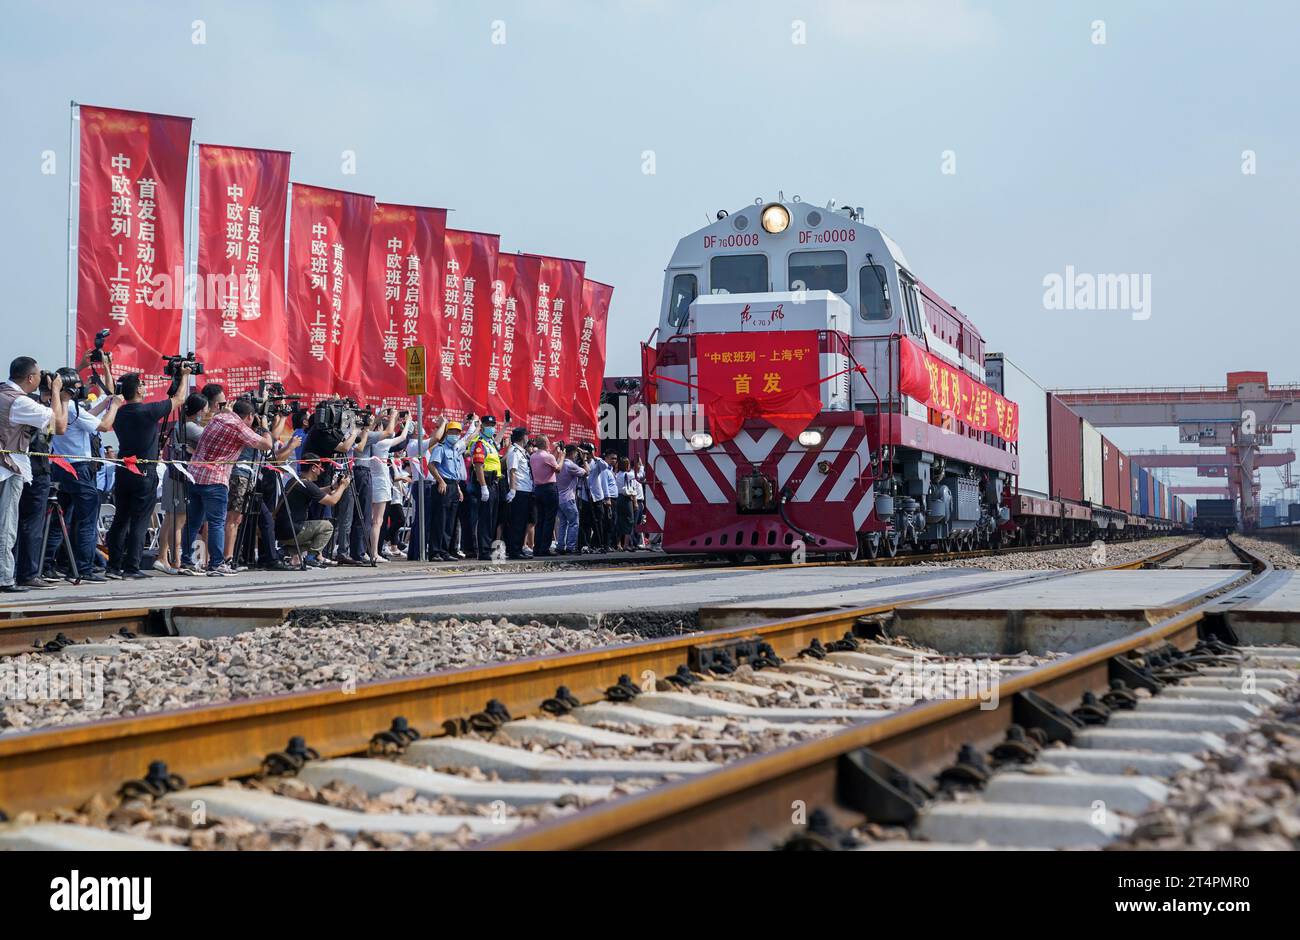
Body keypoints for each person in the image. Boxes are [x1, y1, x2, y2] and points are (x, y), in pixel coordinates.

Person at [105, 368, 189, 579]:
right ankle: (132, 567)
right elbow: (179, 399)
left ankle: (114, 566)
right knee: (140, 521)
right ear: (139, 391)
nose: (144, 387)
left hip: (123, 469)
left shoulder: (119, 413)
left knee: (120, 519)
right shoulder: (147, 411)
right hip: (144, 471)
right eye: (142, 384)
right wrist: (185, 375)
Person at [182, 398, 281, 576]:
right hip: (215, 478)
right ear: (250, 416)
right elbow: (267, 445)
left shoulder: (218, 418)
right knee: (216, 523)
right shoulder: (239, 426)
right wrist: (264, 426)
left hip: (194, 474)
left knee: (193, 521)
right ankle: (216, 564)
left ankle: (186, 561)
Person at [46, 369, 121, 582]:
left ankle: (49, 564)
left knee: (59, 520)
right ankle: (83, 568)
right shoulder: (70, 407)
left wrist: (108, 395)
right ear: (70, 388)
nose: (81, 389)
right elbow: (105, 426)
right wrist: (115, 406)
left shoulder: (58, 405)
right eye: (78, 386)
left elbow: (92, 413)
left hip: (60, 467)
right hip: (79, 468)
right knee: (86, 521)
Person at [0, 358, 68, 593]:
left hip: (8, 468)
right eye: (38, 374)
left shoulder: (2, 392)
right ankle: (5, 579)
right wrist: (58, 392)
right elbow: (57, 424)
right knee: (7, 527)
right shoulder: (19, 402)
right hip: (10, 469)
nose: (41, 378)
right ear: (30, 378)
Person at [154, 393, 207, 574]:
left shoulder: (181, 424)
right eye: (206, 408)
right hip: (180, 477)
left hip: (173, 475)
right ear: (199, 410)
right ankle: (176, 561)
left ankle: (163, 557)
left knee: (170, 518)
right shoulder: (191, 427)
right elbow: (211, 438)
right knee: (178, 520)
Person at [274, 454, 350, 567]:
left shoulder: (295, 481)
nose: (321, 471)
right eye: (320, 468)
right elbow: (332, 501)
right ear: (313, 468)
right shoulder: (307, 484)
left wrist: (333, 487)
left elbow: (316, 492)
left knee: (315, 538)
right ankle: (311, 557)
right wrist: (343, 486)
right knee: (327, 527)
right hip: (292, 531)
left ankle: (285, 551)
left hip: (281, 531)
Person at [365, 408, 410, 565]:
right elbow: (402, 436)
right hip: (382, 483)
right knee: (377, 521)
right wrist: (406, 420)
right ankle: (374, 553)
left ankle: (368, 551)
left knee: (370, 519)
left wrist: (381, 419)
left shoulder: (368, 441)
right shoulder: (382, 443)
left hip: (371, 481)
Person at [464, 415, 501, 560]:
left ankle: (488, 548)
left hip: (494, 484)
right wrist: (484, 486)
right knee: (484, 519)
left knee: (491, 519)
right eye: (488, 425)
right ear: (482, 426)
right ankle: (483, 551)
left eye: (493, 425)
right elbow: (478, 466)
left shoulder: (490, 443)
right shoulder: (480, 443)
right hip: (484, 484)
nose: (491, 427)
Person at [528, 435, 562, 557]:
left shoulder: (534, 456)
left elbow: (547, 461)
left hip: (538, 489)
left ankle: (537, 547)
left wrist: (554, 453)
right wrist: (562, 457)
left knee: (540, 520)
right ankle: (545, 548)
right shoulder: (549, 457)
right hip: (549, 489)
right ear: (546, 443)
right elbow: (558, 469)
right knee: (549, 520)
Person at [504, 426, 534, 559]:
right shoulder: (514, 451)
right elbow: (512, 471)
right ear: (522, 437)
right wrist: (512, 490)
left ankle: (519, 549)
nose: (528, 437)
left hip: (526, 490)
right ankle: (514, 551)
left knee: (523, 523)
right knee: (517, 522)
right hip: (519, 491)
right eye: (526, 435)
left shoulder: (522, 452)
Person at [555, 444, 588, 554]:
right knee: (574, 522)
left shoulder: (559, 463)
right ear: (573, 453)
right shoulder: (570, 465)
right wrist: (584, 460)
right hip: (568, 498)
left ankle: (560, 546)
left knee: (563, 523)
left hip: (558, 498)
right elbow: (586, 472)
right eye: (576, 453)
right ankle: (571, 547)